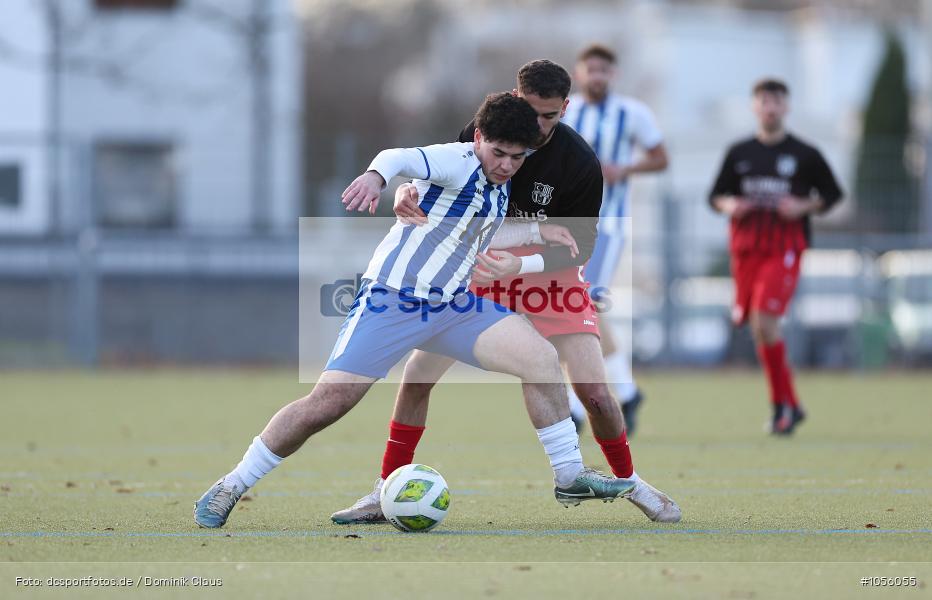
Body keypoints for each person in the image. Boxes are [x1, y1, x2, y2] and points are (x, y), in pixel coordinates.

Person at [193, 93, 638, 529]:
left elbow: (476, 233)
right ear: (479, 137)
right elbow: (397, 155)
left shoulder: (500, 187)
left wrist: (542, 231)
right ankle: (234, 483)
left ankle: (568, 476)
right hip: (393, 300)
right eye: (499, 153)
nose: (506, 165)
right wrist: (376, 178)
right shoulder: (457, 160)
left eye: (517, 158)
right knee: (327, 404)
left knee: (540, 359)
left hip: (454, 306)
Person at [330, 60, 681, 526]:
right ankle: (384, 489)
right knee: (417, 377)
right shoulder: (483, 131)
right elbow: (436, 176)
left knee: (596, 393)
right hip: (480, 270)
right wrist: (405, 192)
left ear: (565, 109)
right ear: (515, 99)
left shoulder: (580, 163)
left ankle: (630, 482)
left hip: (549, 275)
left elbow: (585, 246)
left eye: (550, 117)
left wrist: (527, 263)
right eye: (531, 112)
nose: (537, 128)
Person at [708, 78, 843, 435]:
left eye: (777, 101)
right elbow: (716, 196)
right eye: (764, 101)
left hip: (784, 248)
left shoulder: (805, 154)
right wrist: (731, 204)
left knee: (765, 320)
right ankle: (792, 404)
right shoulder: (739, 153)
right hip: (747, 249)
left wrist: (804, 204)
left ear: (787, 107)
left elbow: (832, 194)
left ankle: (781, 406)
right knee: (757, 325)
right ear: (755, 106)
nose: (770, 107)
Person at [562, 44, 670, 435]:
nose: (597, 76)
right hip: (565, 224)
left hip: (605, 224)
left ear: (614, 74)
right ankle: (624, 391)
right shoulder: (567, 110)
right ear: (579, 72)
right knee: (573, 305)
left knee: (579, 303)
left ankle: (577, 407)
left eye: (604, 70)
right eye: (591, 69)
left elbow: (661, 157)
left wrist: (627, 169)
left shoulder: (632, 113)